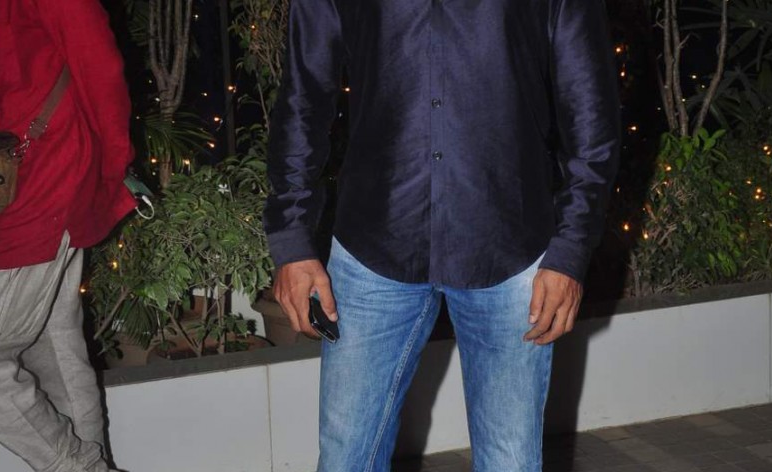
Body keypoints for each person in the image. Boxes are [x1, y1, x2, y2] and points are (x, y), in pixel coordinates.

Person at [266, 1, 621, 470]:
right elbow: (302, 100)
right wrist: (292, 241)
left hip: (511, 252)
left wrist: (571, 249)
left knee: (510, 462)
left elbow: (591, 113)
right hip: (373, 246)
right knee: (345, 459)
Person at [0, 1, 137, 471]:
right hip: (10, 184)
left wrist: (108, 171)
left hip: (41, 176)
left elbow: (99, 67)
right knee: (54, 344)